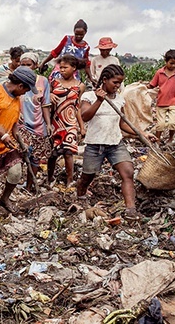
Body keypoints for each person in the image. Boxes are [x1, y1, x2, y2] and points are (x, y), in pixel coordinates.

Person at [77, 65, 158, 221]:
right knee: (88, 176)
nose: (117, 86)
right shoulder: (89, 96)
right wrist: (99, 101)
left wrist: (142, 133)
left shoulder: (120, 99)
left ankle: (130, 210)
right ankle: (80, 196)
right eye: (115, 82)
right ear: (105, 80)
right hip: (95, 144)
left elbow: (123, 124)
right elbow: (85, 116)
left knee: (128, 172)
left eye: (120, 83)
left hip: (115, 143)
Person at [0, 67, 38, 217]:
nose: (25, 93)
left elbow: (14, 124)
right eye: (26, 90)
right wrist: (3, 135)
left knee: (15, 173)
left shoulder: (17, 99)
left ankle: (5, 198)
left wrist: (21, 142)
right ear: (20, 86)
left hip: (8, 144)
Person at [47, 55, 86, 187]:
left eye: (65, 67)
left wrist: (82, 127)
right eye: (60, 67)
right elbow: (45, 100)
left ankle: (70, 180)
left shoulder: (80, 86)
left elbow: (78, 107)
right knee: (52, 153)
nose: (62, 70)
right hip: (55, 121)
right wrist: (49, 95)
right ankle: (49, 178)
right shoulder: (53, 82)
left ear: (74, 68)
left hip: (70, 123)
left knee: (68, 152)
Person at [18, 52, 52, 192]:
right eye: (23, 65)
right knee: (19, 155)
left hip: (37, 123)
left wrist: (48, 123)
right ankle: (16, 183)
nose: (26, 68)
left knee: (35, 158)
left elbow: (45, 104)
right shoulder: (17, 81)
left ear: (36, 65)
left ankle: (29, 184)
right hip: (21, 124)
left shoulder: (43, 81)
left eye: (29, 65)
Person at [147, 49, 175, 143]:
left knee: (172, 123)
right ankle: (157, 140)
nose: (173, 66)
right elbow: (152, 85)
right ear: (166, 61)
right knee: (160, 124)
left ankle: (170, 139)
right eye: (171, 63)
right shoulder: (159, 73)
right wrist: (141, 87)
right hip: (161, 102)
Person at [40, 19, 93, 84]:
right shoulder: (67, 39)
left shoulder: (85, 47)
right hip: (60, 70)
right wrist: (43, 63)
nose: (78, 36)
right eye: (76, 34)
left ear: (85, 32)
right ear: (74, 31)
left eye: (81, 35)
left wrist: (91, 78)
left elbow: (86, 64)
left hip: (73, 73)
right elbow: (55, 52)